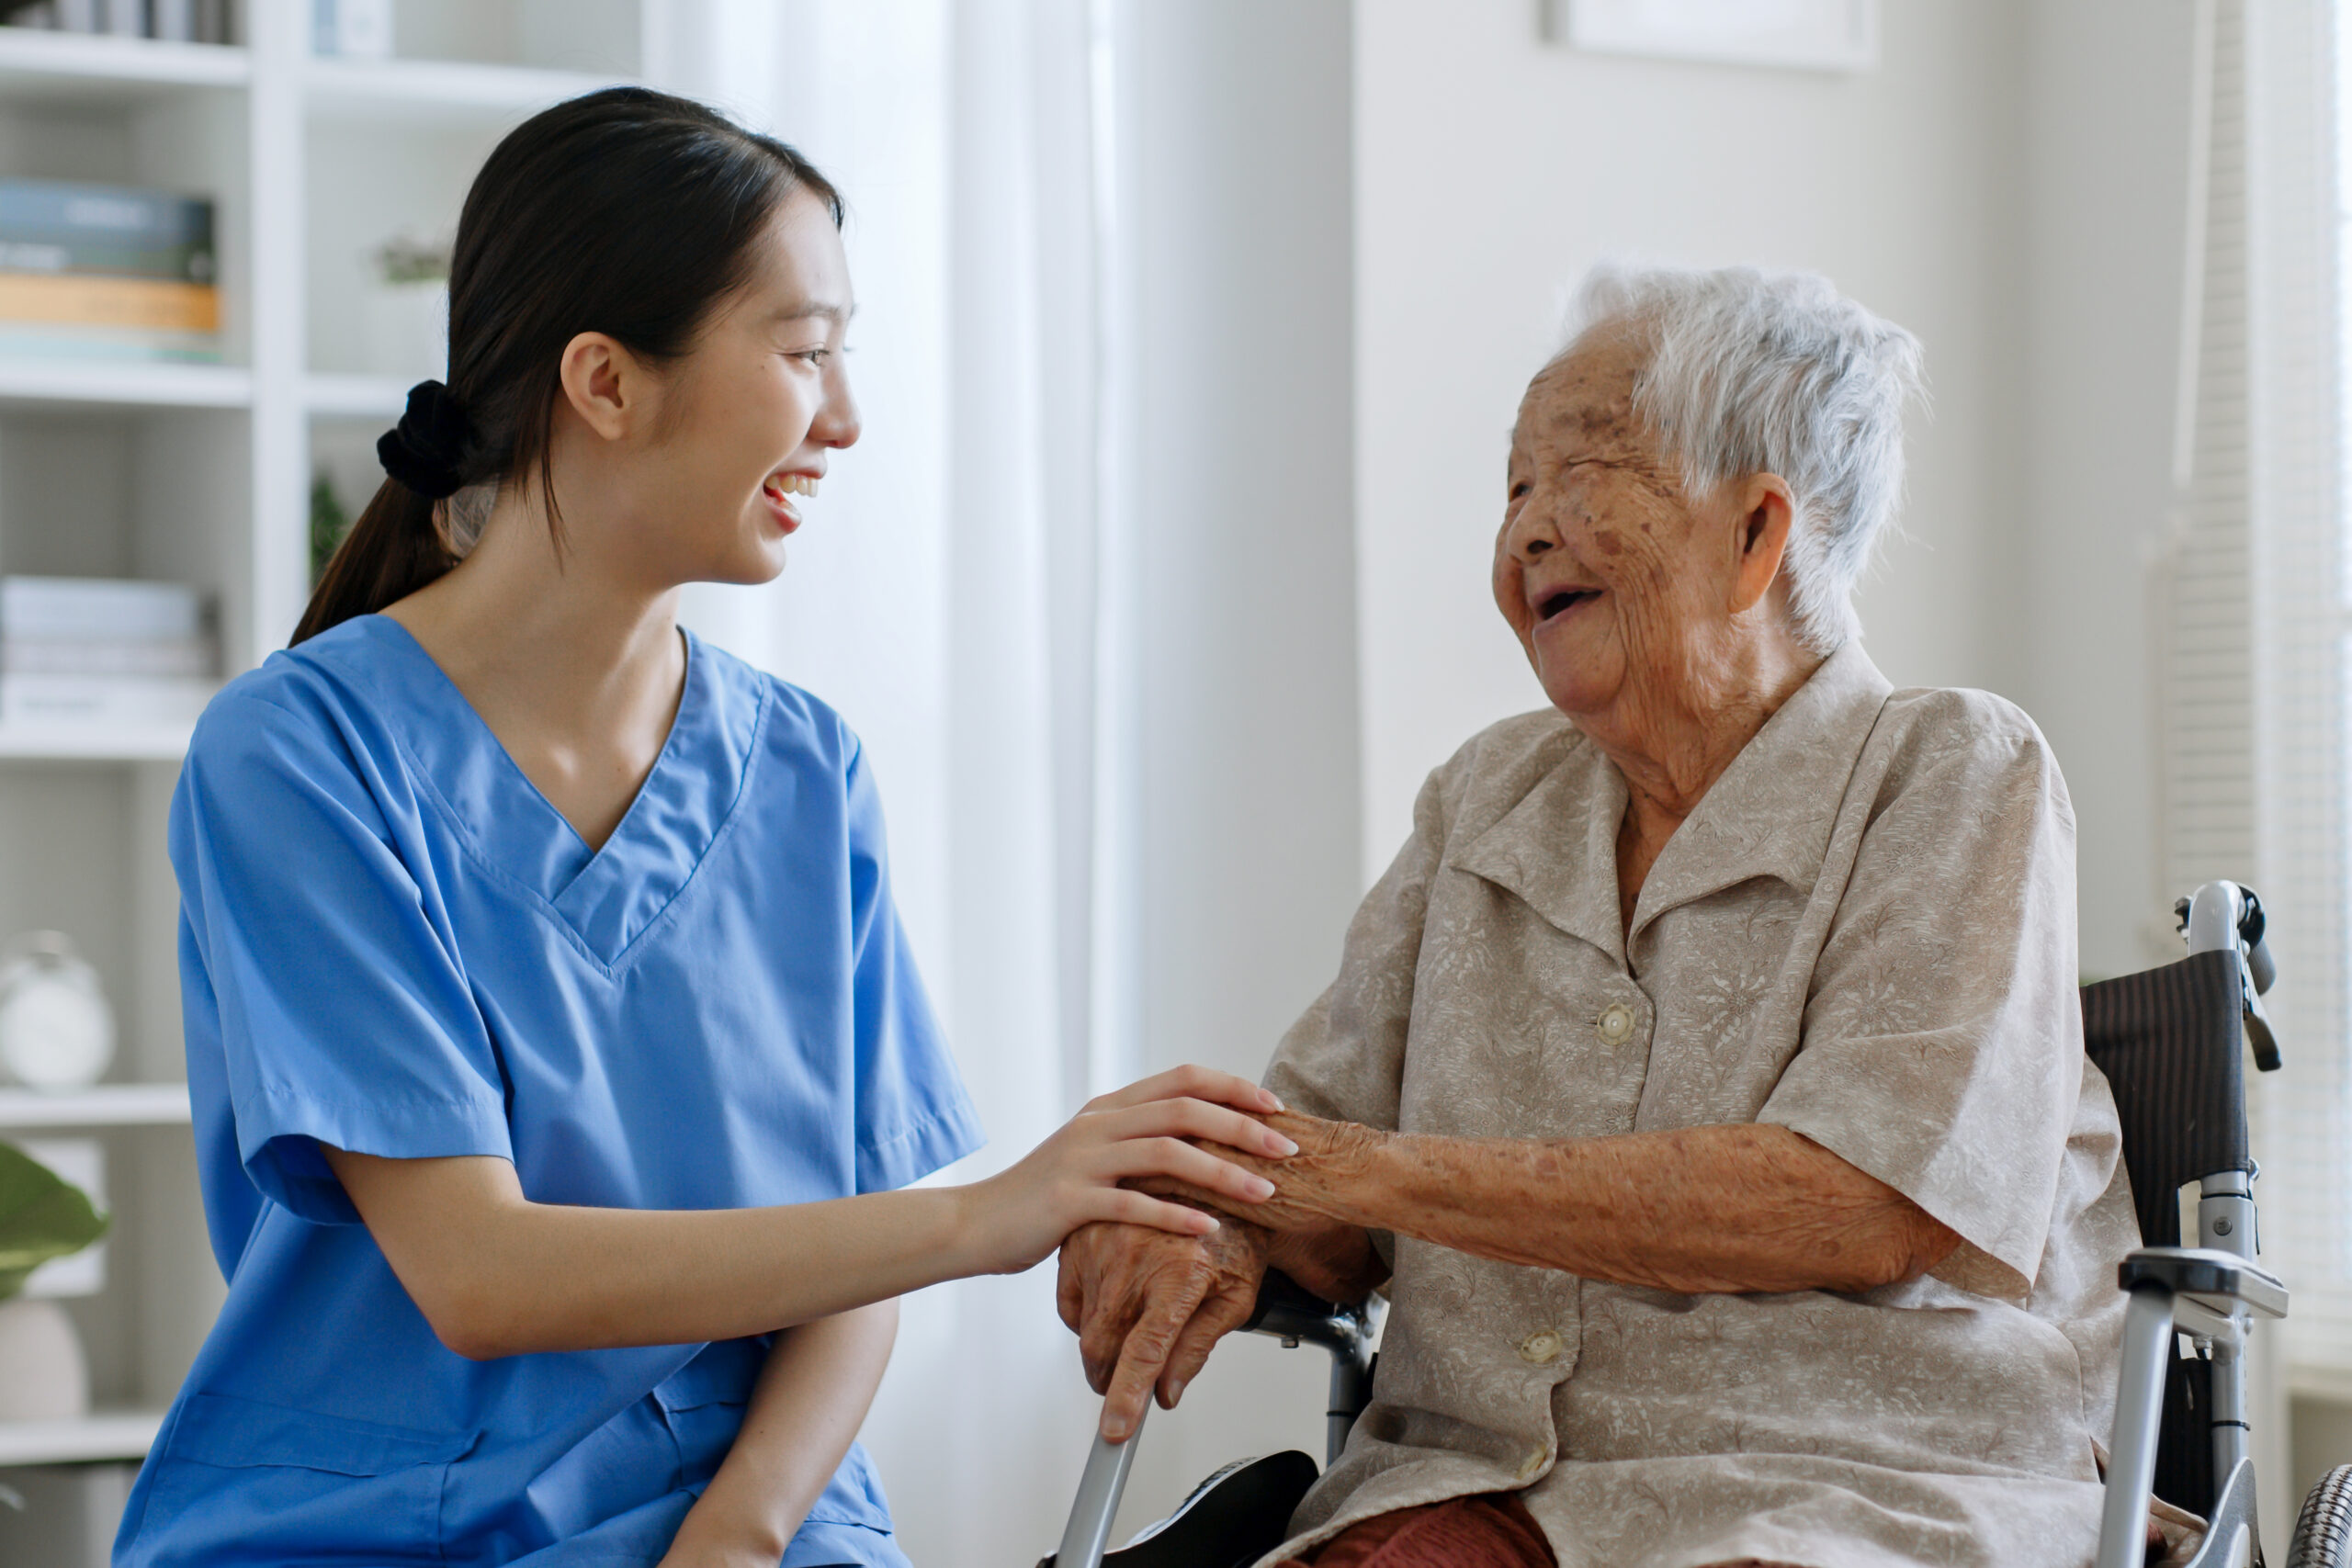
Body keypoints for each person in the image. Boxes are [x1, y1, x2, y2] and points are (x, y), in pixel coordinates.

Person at [118, 87, 1291, 1568]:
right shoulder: (299, 756)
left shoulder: (804, 770)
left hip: (762, 1514)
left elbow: (846, 1258)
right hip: (382, 1530)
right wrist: (991, 1216)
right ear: (605, 382)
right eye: (806, 353)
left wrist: (738, 1534)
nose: (847, 418)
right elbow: (479, 1275)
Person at [1057, 265, 2163, 1568]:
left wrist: (1340, 1166)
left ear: (1756, 534)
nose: (1525, 532)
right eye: (1512, 487)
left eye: (1579, 475)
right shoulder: (1485, 803)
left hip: (1862, 1493)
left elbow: (1867, 1204)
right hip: (1481, 1492)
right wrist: (1208, 1215)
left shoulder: (1955, 774)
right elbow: (1313, 1179)